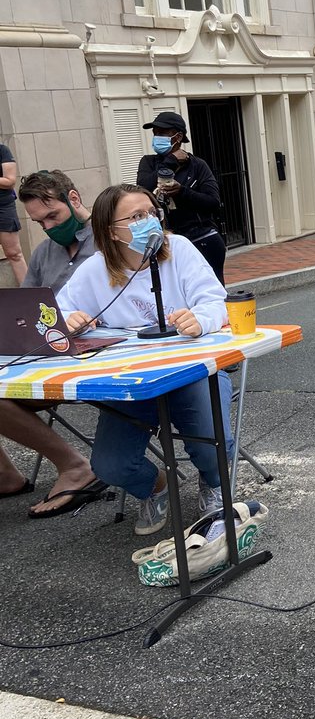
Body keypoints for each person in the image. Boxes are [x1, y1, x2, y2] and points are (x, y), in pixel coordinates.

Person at [57, 184, 233, 536]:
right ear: (111, 230)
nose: (148, 221)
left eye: (151, 213)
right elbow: (56, 312)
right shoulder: (95, 269)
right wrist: (69, 321)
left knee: (212, 440)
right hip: (131, 383)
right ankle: (155, 486)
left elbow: (215, 302)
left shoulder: (179, 249)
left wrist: (201, 319)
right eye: (136, 217)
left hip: (191, 372)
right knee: (110, 466)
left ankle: (215, 484)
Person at [0, 170, 107, 518]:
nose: (47, 227)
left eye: (52, 216)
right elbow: (24, 309)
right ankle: (6, 475)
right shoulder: (46, 252)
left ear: (73, 199)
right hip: (48, 352)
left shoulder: (108, 241)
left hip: (96, 354)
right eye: (38, 222)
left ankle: (75, 467)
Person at [135, 111, 227, 283]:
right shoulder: (148, 162)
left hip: (201, 238)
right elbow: (142, 190)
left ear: (178, 137)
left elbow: (213, 202)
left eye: (162, 133)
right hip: (167, 243)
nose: (157, 137)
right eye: (155, 133)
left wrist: (182, 192)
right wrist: (170, 161)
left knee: (210, 290)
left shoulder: (197, 165)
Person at [0, 140, 27, 284]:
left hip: (3, 207)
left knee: (14, 253)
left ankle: (31, 294)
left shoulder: (2, 150)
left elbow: (10, 181)